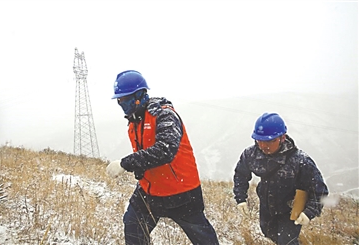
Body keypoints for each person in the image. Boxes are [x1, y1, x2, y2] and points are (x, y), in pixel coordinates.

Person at [106, 70, 219, 245]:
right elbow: (146, 155)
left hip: (182, 193)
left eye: (125, 98)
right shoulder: (134, 121)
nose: (122, 103)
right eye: (119, 100)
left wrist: (125, 163)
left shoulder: (164, 115)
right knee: (133, 226)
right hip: (149, 191)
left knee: (204, 240)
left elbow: (165, 150)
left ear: (139, 95)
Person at [233, 112, 329, 245]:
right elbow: (241, 174)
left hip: (289, 209)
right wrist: (240, 198)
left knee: (286, 241)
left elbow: (319, 190)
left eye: (268, 141)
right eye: (259, 140)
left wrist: (309, 213)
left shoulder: (300, 161)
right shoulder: (251, 154)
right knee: (268, 232)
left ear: (282, 138)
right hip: (267, 207)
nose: (263, 146)